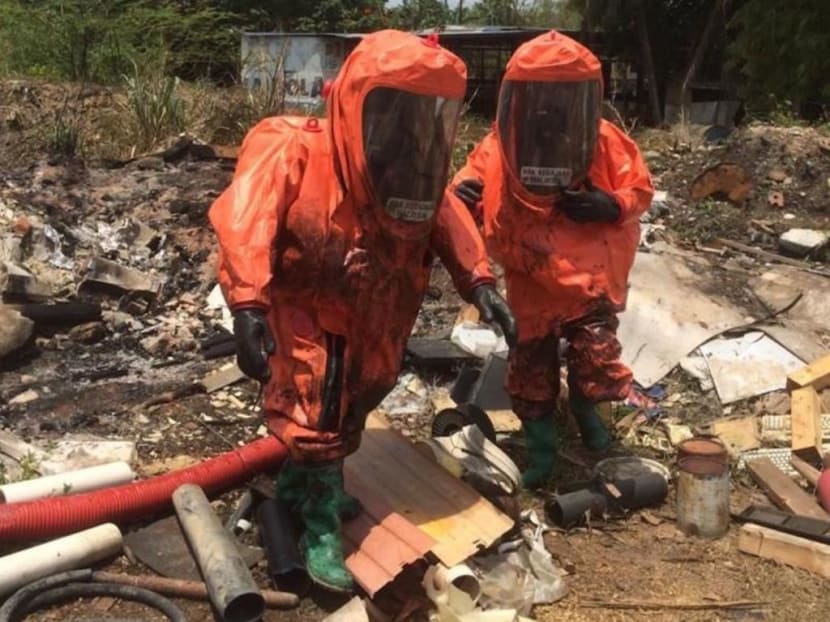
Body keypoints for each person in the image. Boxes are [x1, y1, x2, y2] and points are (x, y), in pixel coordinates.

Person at [209, 30, 516, 593]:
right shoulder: (293, 149)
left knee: (365, 391)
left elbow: (447, 215)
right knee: (318, 407)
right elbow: (246, 217)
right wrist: (248, 304)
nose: (407, 126)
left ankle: (304, 484)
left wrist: (479, 284)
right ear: (355, 101)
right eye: (394, 110)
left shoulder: (413, 164)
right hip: (309, 306)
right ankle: (320, 524)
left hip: (378, 307)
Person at [448, 31, 653, 489]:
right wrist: (465, 191)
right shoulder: (502, 143)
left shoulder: (605, 142)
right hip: (530, 282)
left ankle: (589, 416)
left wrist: (611, 205)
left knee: (595, 361)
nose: (547, 106)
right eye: (537, 94)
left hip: (588, 280)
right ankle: (541, 453)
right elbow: (472, 175)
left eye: (560, 95)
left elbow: (638, 189)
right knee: (530, 371)